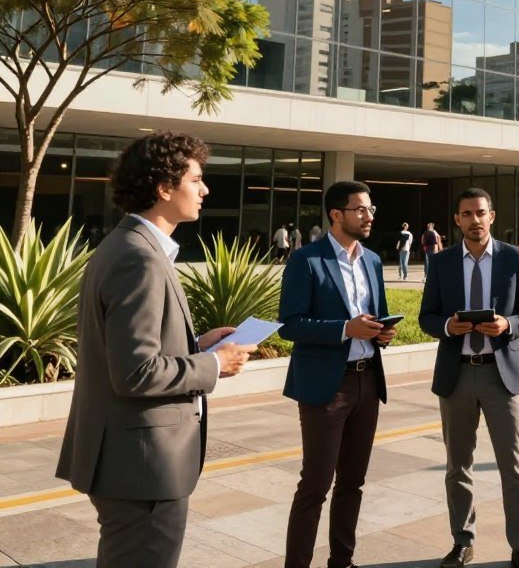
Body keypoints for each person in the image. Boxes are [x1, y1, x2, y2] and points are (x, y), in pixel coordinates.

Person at [56, 133, 254, 568]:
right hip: (141, 468)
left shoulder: (129, 246)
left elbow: (126, 348)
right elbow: (134, 372)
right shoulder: (139, 259)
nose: (205, 190)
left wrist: (195, 345)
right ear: (164, 188)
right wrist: (213, 364)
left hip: (132, 462)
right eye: (196, 179)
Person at [418, 188, 519, 568]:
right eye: (467, 214)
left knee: (514, 467)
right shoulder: (440, 264)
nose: (475, 220)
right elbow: (427, 316)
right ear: (457, 220)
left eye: (481, 213)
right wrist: (447, 326)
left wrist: (508, 323)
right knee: (458, 466)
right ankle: (462, 541)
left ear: (492, 216)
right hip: (456, 377)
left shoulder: (513, 258)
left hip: (500, 376)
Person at [278, 181, 397, 568]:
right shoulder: (307, 260)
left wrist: (381, 332)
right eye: (360, 209)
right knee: (315, 485)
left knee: (353, 483)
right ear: (336, 214)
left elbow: (374, 314)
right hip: (326, 387)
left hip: (367, 381)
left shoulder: (373, 260)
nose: (369, 216)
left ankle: (341, 561)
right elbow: (290, 325)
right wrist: (346, 328)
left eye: (371, 209)